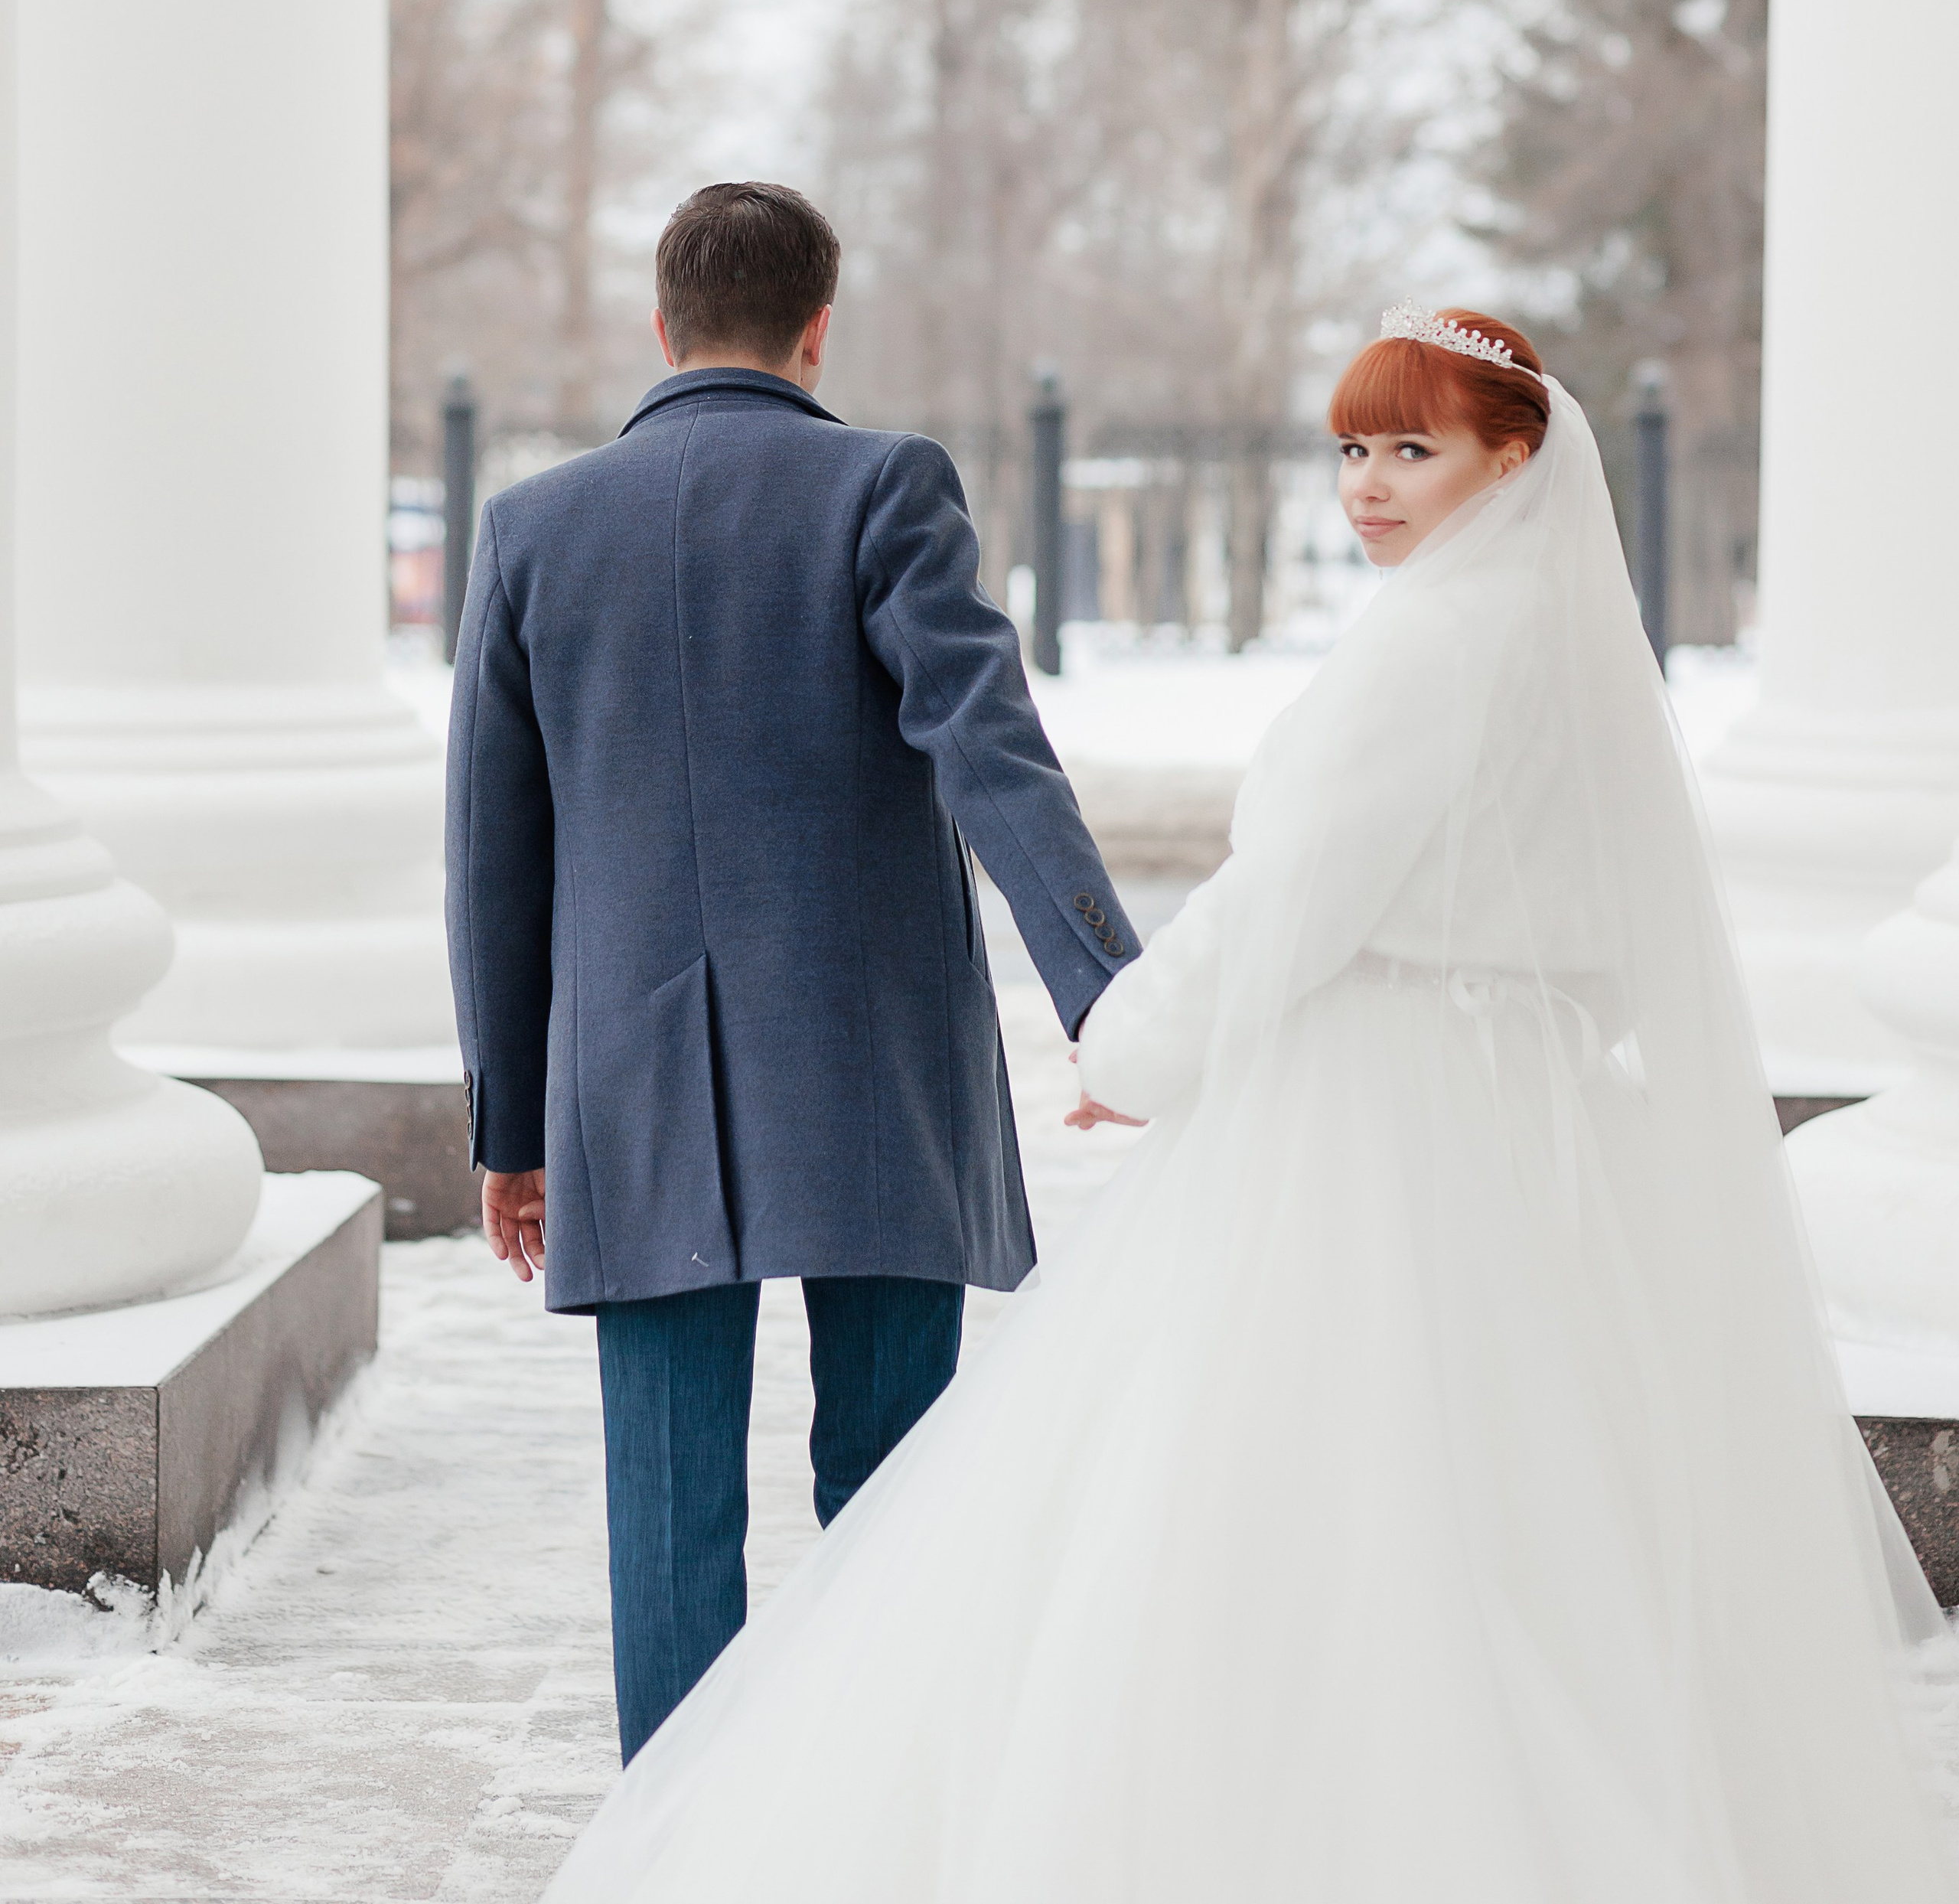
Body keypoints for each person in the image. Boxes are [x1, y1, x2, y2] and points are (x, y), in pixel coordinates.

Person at [544, 304, 1958, 1904]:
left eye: (1410, 449)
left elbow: (1297, 890)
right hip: (1523, 1115)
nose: (1366, 484)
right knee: (1516, 1514)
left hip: (1379, 1115)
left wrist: (1127, 1045)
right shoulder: (1576, 653)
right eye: (1351, 447)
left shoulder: (1430, 645)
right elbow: (1621, 943)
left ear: (1515, 453)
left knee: (1288, 1503)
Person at [443, 181, 1138, 1763]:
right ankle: (881, 1815)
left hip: (632, 1080)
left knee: (669, 1509)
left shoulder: (532, 530)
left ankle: (677, 1850)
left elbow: (493, 854)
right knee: (894, 1496)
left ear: (661, 323)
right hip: (873, 1068)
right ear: (817, 327)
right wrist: (1109, 995)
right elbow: (992, 755)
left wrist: (511, 1130)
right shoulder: (884, 489)